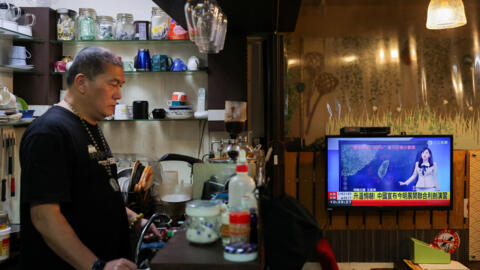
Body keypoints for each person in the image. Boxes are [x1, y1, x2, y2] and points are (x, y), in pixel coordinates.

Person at [20, 46, 161, 270]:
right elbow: (45, 218)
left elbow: (97, 192)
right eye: (112, 83)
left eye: (121, 85)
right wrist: (97, 266)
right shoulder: (49, 132)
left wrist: (133, 219)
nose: (119, 94)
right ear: (82, 82)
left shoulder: (88, 125)